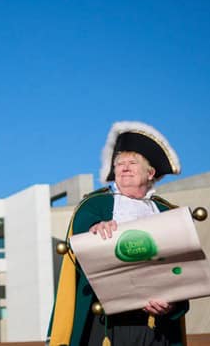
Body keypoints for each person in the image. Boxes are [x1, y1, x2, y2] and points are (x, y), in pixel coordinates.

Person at [47, 121, 189, 346]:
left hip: (156, 328)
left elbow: (182, 270)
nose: (124, 168)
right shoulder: (95, 204)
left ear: (150, 172)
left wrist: (171, 305)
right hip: (105, 325)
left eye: (132, 163)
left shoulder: (167, 211)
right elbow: (81, 239)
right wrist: (95, 231)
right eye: (119, 164)